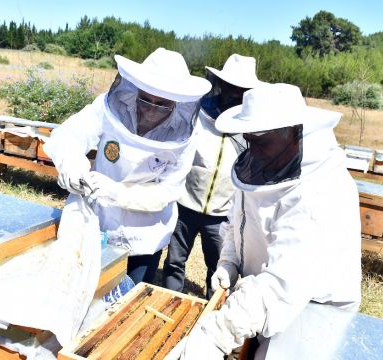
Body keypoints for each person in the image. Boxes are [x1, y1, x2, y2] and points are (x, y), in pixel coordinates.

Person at [181, 83, 362, 359]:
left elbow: (285, 282)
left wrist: (221, 331)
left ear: (292, 133)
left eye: (261, 141)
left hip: (313, 311)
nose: (253, 148)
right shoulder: (261, 165)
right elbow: (237, 221)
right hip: (268, 300)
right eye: (249, 139)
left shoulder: (321, 190)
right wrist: (229, 262)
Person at [44, 48, 212, 284]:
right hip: (97, 220)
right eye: (146, 99)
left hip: (145, 234)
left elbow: (167, 191)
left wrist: (117, 192)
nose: (152, 109)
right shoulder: (110, 106)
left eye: (162, 104)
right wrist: (71, 164)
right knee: (87, 289)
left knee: (130, 298)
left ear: (176, 103)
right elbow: (70, 135)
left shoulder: (185, 134)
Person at [163, 54, 264, 299]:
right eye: (231, 86)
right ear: (221, 84)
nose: (235, 93)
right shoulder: (199, 115)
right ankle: (166, 299)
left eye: (242, 89)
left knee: (219, 267)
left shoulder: (250, 125)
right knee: (175, 260)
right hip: (185, 204)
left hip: (222, 213)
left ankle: (213, 309)